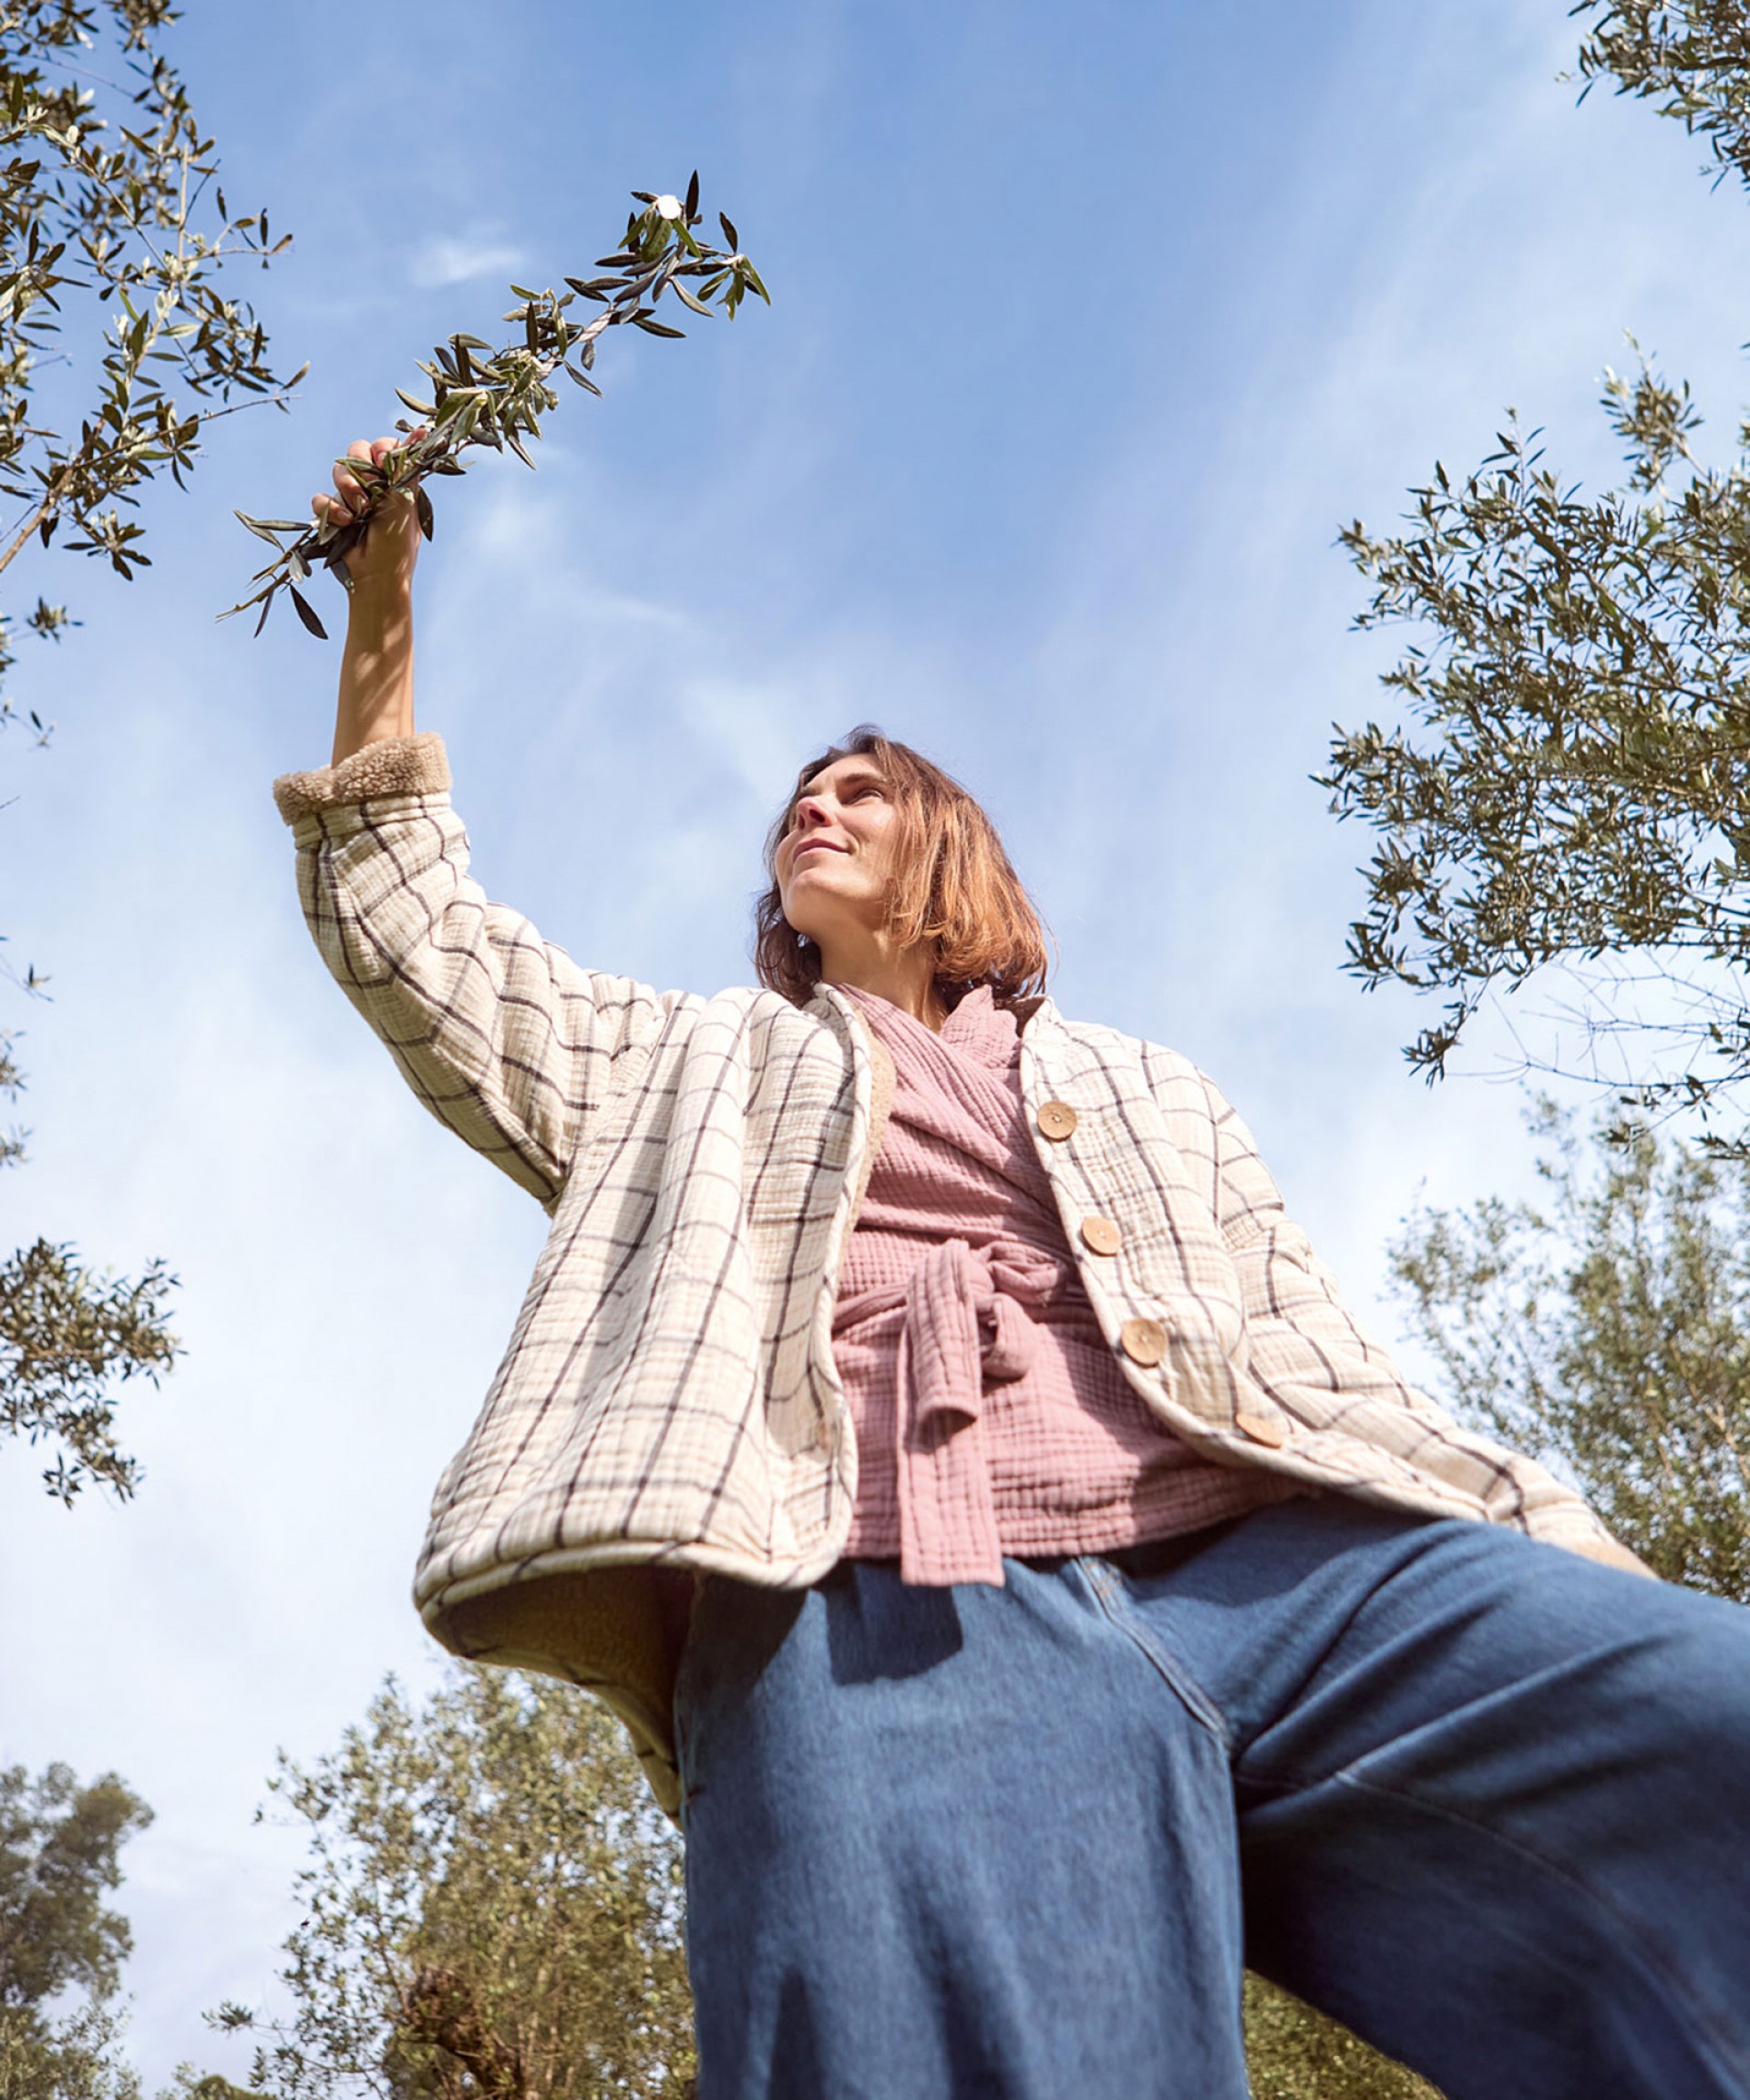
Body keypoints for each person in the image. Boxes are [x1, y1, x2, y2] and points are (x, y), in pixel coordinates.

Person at [274, 439, 1750, 2100]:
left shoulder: (1144, 1084)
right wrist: (384, 590)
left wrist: (1538, 1530)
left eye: (862, 791)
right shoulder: (684, 1061)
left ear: (948, 852)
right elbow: (416, 932)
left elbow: (1317, 1361)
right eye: (795, 808)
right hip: (893, 1611)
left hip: (1296, 1571)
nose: (814, 809)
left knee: (1711, 1731)